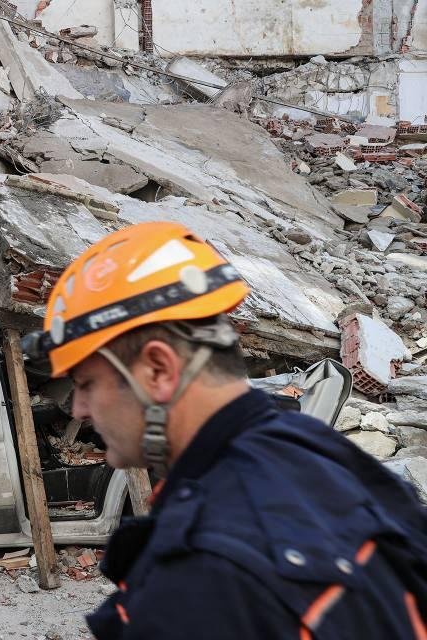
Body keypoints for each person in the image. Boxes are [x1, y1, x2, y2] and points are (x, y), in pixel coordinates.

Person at [25, 221, 427, 639]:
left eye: (88, 384)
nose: (80, 408)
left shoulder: (201, 572)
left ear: (159, 369)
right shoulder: (327, 456)